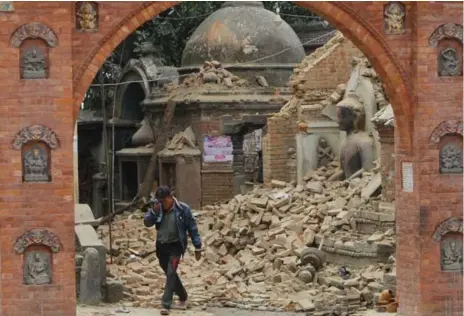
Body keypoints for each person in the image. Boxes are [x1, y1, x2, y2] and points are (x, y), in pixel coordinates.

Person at [143, 186, 202, 315]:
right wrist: (153, 212)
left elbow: (192, 228)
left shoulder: (182, 209)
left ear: (170, 198)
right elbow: (147, 222)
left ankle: (166, 304)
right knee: (170, 273)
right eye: (159, 201)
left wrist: (198, 246)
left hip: (176, 246)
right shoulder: (157, 209)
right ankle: (182, 295)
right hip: (162, 246)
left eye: (164, 201)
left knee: (170, 273)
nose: (161, 203)